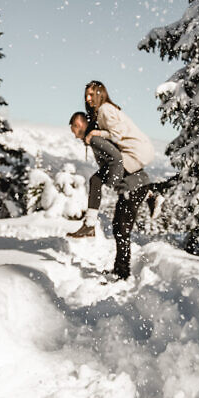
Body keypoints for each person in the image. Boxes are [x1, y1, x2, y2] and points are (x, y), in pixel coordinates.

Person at [66, 110, 150, 280]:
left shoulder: (96, 139)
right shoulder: (94, 139)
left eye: (74, 130)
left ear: (79, 124)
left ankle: (123, 273)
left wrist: (112, 181)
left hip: (133, 187)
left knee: (122, 229)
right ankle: (121, 270)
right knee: (119, 228)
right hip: (131, 186)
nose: (74, 135)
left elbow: (117, 159)